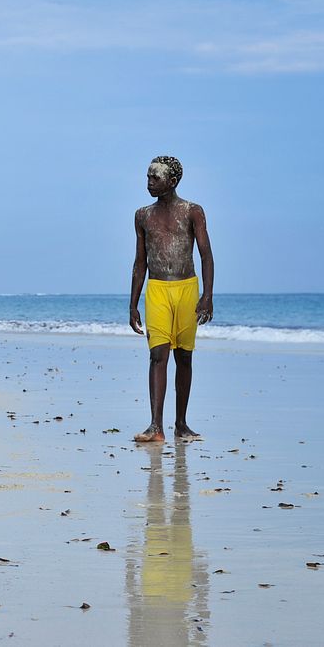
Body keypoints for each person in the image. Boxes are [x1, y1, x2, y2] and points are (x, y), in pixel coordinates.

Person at [129, 155, 214, 444]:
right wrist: (132, 304)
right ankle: (156, 426)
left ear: (172, 181)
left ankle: (181, 424)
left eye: (156, 177)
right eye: (148, 177)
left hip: (187, 288)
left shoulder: (193, 212)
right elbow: (140, 262)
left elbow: (205, 255)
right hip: (157, 290)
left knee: (185, 357)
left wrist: (207, 296)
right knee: (157, 355)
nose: (149, 182)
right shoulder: (142, 215)